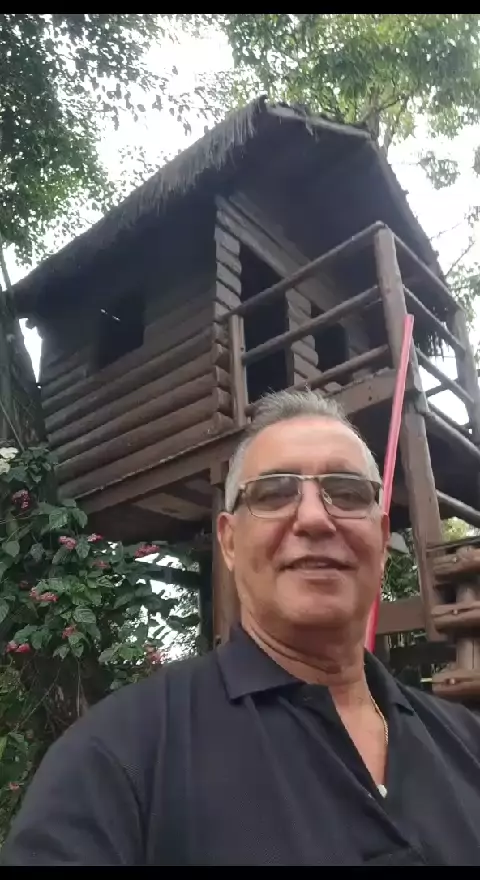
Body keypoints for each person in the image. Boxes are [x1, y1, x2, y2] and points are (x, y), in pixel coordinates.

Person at [2, 389, 480, 866]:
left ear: (380, 537)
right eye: (274, 493)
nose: (315, 519)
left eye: (348, 493)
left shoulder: (465, 740)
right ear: (229, 542)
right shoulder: (117, 759)